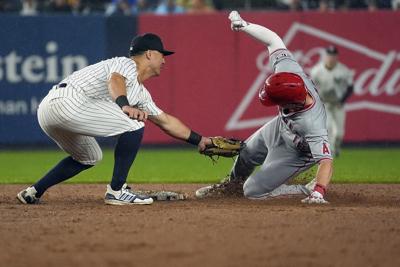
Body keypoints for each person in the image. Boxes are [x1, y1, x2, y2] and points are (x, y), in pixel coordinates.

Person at [17, 33, 211, 206]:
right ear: (150, 54)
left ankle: (33, 192)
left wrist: (200, 140)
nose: (164, 61)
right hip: (67, 101)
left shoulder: (141, 94)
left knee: (90, 157)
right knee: (134, 125)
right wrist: (124, 105)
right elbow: (115, 81)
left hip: (48, 112)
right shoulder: (125, 64)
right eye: (162, 55)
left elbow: (166, 121)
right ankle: (117, 191)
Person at [196, 11, 333, 204]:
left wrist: (319, 192)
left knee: (252, 191)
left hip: (299, 151)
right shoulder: (290, 72)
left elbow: (326, 161)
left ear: (289, 103)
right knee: (246, 153)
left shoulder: (312, 124)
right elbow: (274, 41)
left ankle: (303, 189)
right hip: (281, 127)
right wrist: (245, 25)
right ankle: (229, 187)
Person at [310, 45, 353, 157]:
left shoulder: (343, 70)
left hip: (338, 104)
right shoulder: (316, 71)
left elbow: (350, 88)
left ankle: (337, 147)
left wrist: (342, 101)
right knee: (328, 127)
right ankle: (331, 152)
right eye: (329, 55)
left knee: (339, 133)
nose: (331, 58)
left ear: (337, 57)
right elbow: (311, 88)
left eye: (333, 56)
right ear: (325, 56)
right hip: (324, 103)